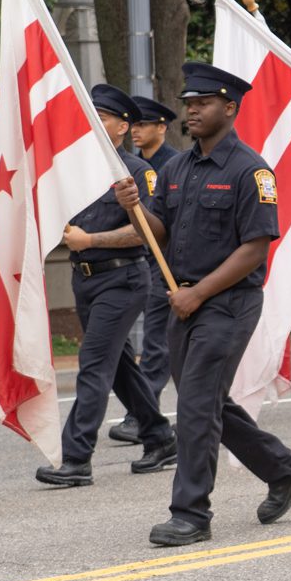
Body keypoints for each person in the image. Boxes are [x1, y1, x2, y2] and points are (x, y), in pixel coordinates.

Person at [112, 62, 291, 547]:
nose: (192, 110)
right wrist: (133, 209)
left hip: (227, 302)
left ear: (229, 107)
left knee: (197, 406)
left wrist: (198, 293)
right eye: (188, 103)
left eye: (202, 103)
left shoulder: (251, 170)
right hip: (184, 301)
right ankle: (284, 468)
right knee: (208, 403)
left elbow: (255, 247)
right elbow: (157, 233)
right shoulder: (176, 168)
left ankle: (191, 513)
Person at [36, 85, 178, 486]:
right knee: (118, 369)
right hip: (86, 280)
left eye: (101, 117)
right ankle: (160, 437)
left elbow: (146, 234)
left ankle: (76, 458)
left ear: (121, 127)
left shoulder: (135, 173)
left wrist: (91, 240)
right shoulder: (75, 170)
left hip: (123, 278)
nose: (92, 123)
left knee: (94, 365)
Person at [119, 97, 180, 444]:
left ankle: (140, 415)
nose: (138, 131)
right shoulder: (133, 167)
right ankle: (143, 413)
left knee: (157, 340)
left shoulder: (173, 164)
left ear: (162, 127)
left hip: (165, 263)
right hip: (141, 261)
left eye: (145, 125)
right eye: (135, 125)